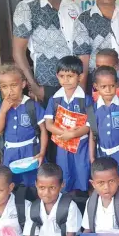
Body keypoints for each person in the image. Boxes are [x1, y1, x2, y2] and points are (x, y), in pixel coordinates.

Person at [12, 0, 80, 106]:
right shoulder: (27, 8)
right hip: (45, 84)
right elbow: (18, 52)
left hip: (73, 83)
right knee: (49, 127)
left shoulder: (73, 8)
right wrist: (34, 87)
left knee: (74, 126)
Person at [0, 64, 48, 187]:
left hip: (31, 151)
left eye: (14, 85)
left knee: (34, 184)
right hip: (10, 154)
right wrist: (3, 111)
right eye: (4, 87)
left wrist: (41, 153)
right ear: (0, 88)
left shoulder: (32, 105)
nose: (10, 91)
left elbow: (44, 131)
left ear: (23, 84)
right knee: (11, 184)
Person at [22, 163, 82, 236]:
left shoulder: (69, 206)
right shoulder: (33, 207)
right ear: (36, 184)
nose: (46, 193)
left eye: (52, 188)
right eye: (42, 188)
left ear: (62, 185)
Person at [44, 56, 92, 192]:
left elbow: (89, 124)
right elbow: (48, 124)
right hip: (62, 144)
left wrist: (74, 133)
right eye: (62, 76)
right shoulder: (55, 100)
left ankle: (82, 200)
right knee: (64, 173)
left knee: (83, 171)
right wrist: (64, 134)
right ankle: (66, 201)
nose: (65, 80)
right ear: (57, 76)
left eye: (70, 76)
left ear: (80, 77)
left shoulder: (85, 100)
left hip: (81, 145)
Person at [89, 66, 119, 187]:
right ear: (96, 86)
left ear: (117, 85)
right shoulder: (92, 110)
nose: (108, 90)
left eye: (111, 86)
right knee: (108, 186)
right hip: (103, 156)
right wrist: (92, 158)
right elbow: (92, 135)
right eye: (103, 87)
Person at [81, 157, 119, 235]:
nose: (106, 187)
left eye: (111, 181)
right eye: (101, 183)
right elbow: (87, 229)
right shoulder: (91, 203)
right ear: (93, 184)